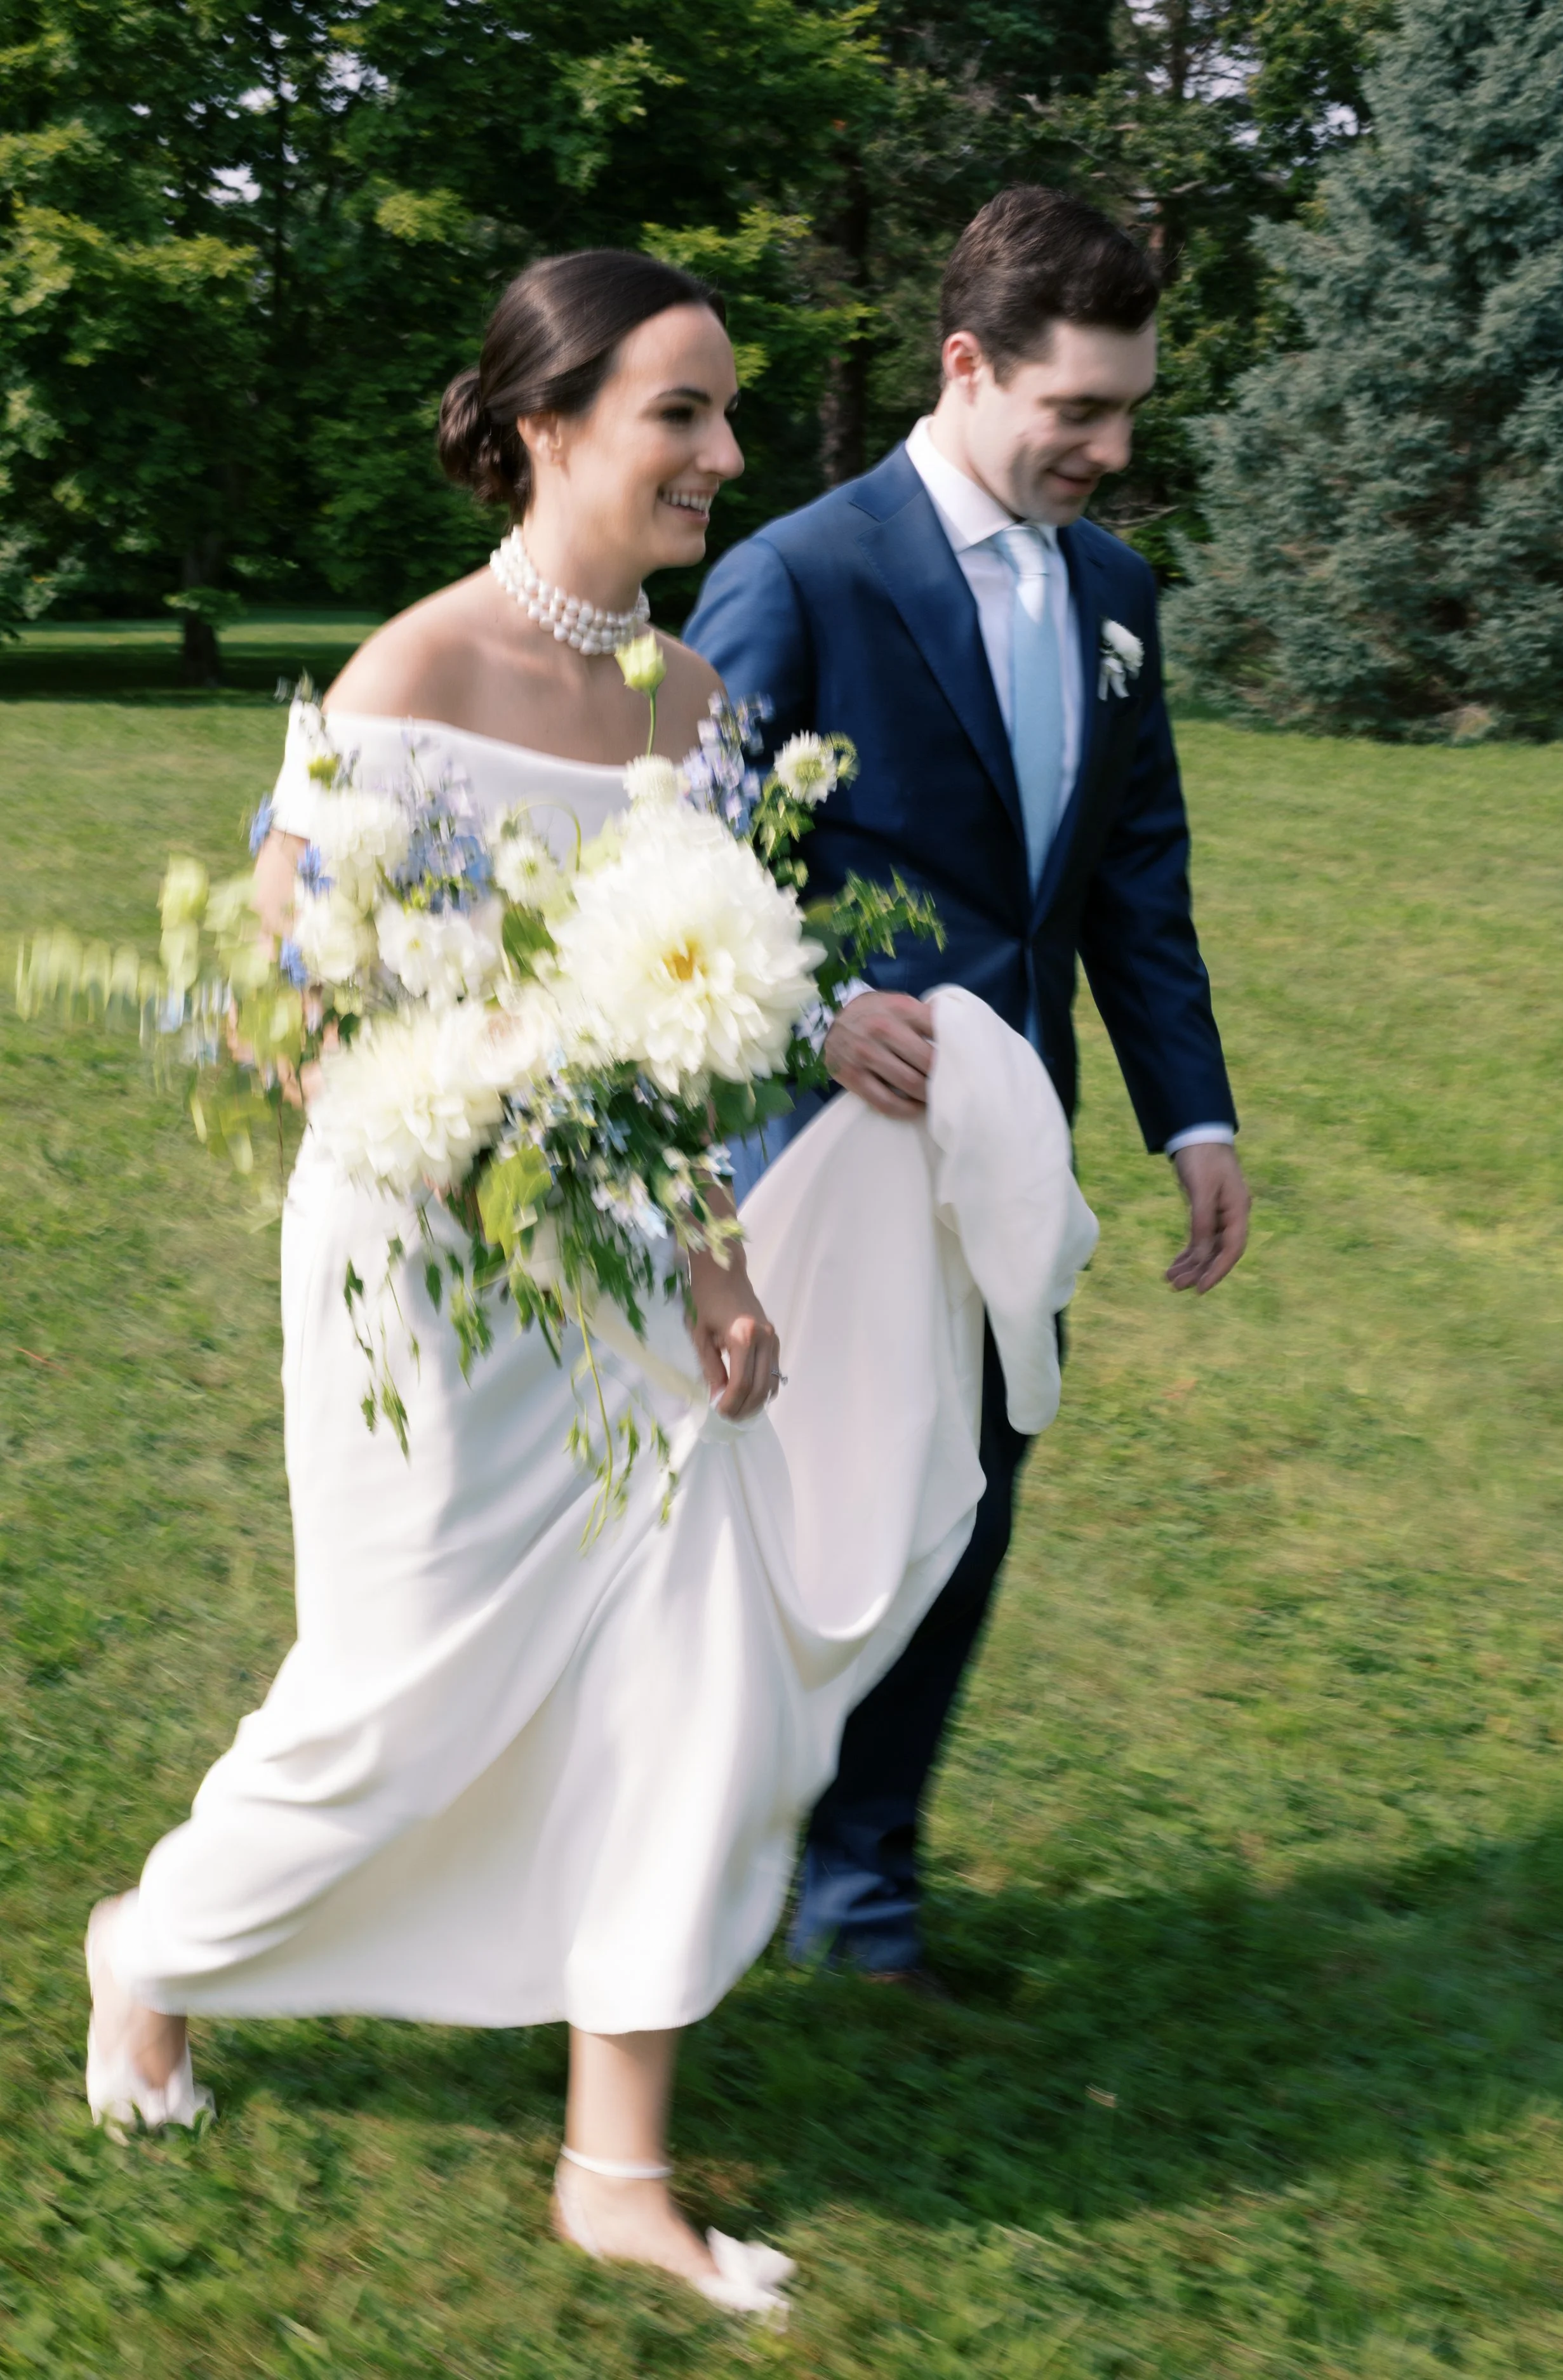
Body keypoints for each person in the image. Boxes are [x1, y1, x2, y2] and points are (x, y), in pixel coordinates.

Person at [81, 248, 1098, 2320]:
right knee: (394, 1691)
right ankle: (157, 1949)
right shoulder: (410, 675)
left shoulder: (690, 702)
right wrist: (488, 1100)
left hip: (628, 1254)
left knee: (677, 1677)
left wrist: (731, 1223)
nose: (722, 452)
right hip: (425, 1262)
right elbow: (289, 1012)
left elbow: (683, 1020)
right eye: (679, 412)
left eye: (726, 414)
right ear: (546, 425)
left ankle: (612, 2165)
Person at [686, 185, 1251, 1988]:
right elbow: (682, 860)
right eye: (1078, 410)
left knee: (966, 1503)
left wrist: (1193, 1116)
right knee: (796, 1520)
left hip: (1012, 1163)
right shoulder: (803, 571)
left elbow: (1131, 879)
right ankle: (684, 1861)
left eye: (1130, 411)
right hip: (825, 1156)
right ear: (965, 365)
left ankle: (860, 1902)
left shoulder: (1117, 595)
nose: (1111, 451)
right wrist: (818, 1010)